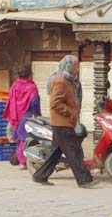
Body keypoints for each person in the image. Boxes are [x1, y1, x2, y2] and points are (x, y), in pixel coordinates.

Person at [32, 55, 95, 188]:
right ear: (68, 66)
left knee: (56, 152)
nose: (77, 69)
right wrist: (70, 113)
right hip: (62, 123)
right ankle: (84, 180)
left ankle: (40, 176)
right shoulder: (61, 81)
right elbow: (55, 103)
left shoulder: (69, 80)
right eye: (75, 66)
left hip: (65, 122)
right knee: (74, 151)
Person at [4, 65, 41, 167]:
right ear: (30, 75)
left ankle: (22, 161)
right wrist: (37, 114)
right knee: (27, 138)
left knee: (20, 138)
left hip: (16, 115)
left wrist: (13, 115)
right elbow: (34, 102)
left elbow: (10, 101)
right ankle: (24, 161)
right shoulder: (32, 86)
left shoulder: (14, 85)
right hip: (28, 115)